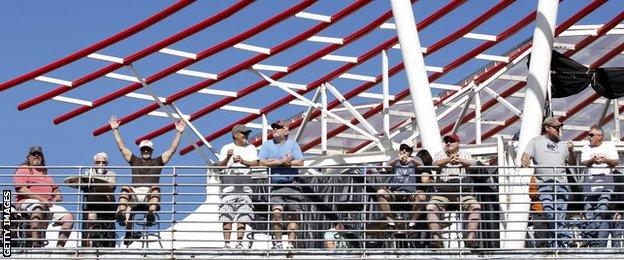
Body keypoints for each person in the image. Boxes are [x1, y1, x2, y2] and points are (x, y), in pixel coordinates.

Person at [109, 115, 185, 245]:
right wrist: (115, 130)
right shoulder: (135, 160)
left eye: (148, 149)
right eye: (144, 149)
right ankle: (121, 212)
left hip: (149, 195)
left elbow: (171, 150)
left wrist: (179, 133)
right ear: (140, 150)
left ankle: (150, 214)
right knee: (126, 188)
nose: (146, 151)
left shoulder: (157, 161)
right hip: (135, 194)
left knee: (156, 189)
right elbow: (121, 147)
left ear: (151, 151)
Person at [521, 116, 576, 248]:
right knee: (550, 212)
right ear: (546, 128)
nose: (559, 130)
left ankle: (555, 248)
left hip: (562, 185)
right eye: (556, 127)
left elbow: (572, 163)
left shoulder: (563, 144)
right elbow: (526, 156)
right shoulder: (535, 141)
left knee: (559, 217)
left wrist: (571, 151)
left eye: (560, 127)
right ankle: (567, 238)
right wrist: (525, 159)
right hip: (544, 184)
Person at [426, 134, 480, 248]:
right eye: (446, 141)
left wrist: (459, 160)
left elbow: (473, 165)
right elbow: (434, 165)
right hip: (442, 193)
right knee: (431, 207)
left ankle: (470, 238)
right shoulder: (440, 154)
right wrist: (448, 160)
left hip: (462, 193)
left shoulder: (466, 154)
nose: (448, 143)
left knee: (475, 206)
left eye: (451, 141)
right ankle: (436, 239)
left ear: (458, 143)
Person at [13, 146, 74, 247]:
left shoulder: (46, 174)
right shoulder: (24, 169)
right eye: (34, 154)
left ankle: (59, 248)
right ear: (28, 157)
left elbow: (55, 189)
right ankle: (35, 243)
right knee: (38, 207)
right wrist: (41, 199)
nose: (36, 156)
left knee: (69, 217)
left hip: (48, 205)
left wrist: (58, 194)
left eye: (39, 154)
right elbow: (21, 189)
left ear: (42, 157)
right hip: (27, 202)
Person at [258, 120, 304, 250]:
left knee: (293, 214)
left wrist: (285, 164)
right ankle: (278, 243)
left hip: (292, 185)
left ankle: (291, 244)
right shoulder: (267, 145)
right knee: (277, 212)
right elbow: (261, 162)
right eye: (274, 128)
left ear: (286, 131)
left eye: (278, 128)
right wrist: (280, 161)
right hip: (275, 186)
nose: (275, 130)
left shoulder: (293, 144)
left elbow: (300, 162)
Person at [217, 124, 259, 250]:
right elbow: (219, 167)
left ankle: (239, 243)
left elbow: (255, 164)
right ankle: (227, 244)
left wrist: (242, 161)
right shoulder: (226, 148)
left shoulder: (251, 147)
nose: (246, 136)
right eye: (243, 133)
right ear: (235, 134)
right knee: (227, 216)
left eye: (247, 133)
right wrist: (229, 157)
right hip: (228, 188)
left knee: (243, 216)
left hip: (245, 187)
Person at [579, 127, 620, 247]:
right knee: (590, 216)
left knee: (600, 213)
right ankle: (593, 247)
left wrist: (605, 160)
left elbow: (616, 162)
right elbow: (585, 163)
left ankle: (586, 236)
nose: (589, 137)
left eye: (591, 135)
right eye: (588, 134)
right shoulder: (586, 147)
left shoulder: (609, 146)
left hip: (606, 188)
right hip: (589, 189)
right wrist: (593, 160)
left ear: (600, 136)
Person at [376, 141, 425, 229]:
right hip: (394, 192)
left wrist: (412, 160)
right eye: (402, 149)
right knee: (380, 192)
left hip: (411, 193)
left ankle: (412, 223)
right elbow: (386, 168)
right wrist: (397, 159)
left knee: (421, 196)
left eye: (407, 149)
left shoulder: (416, 159)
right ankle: (390, 221)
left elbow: (422, 167)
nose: (404, 151)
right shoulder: (395, 160)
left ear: (411, 151)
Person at [84, 152, 117, 247]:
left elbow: (112, 186)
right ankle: (88, 243)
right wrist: (102, 188)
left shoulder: (111, 173)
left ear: (107, 164)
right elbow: (84, 184)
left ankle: (110, 243)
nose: (101, 165)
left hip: (107, 205)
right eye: (98, 162)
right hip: (94, 203)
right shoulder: (89, 173)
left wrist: (96, 185)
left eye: (103, 162)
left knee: (110, 224)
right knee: (91, 218)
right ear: (94, 163)